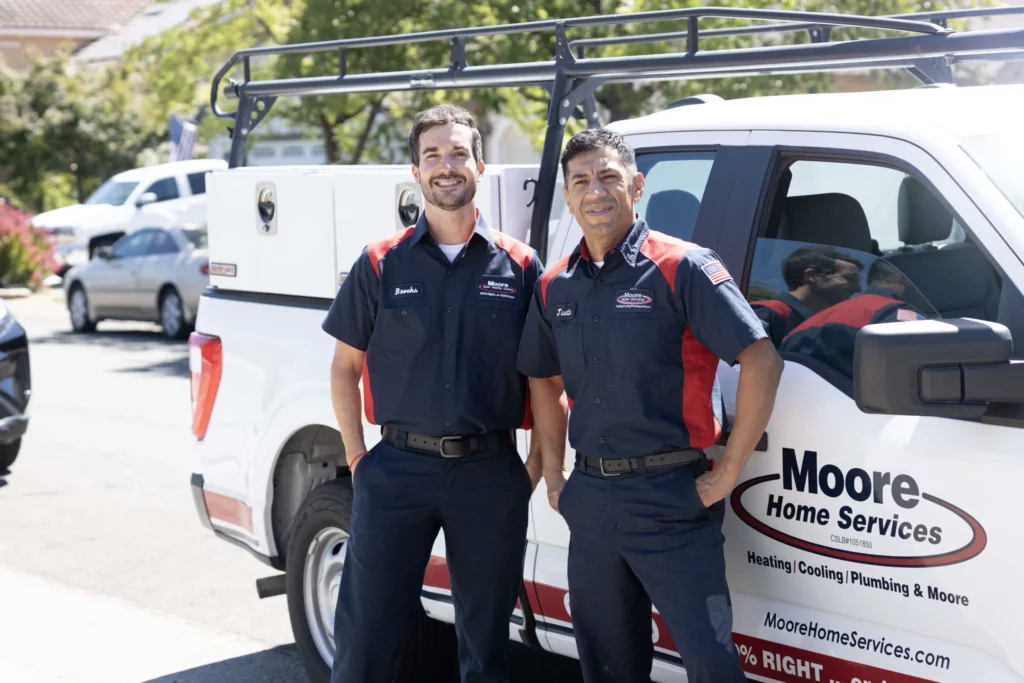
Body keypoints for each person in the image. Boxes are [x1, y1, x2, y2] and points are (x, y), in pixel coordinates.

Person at [517, 129, 784, 683]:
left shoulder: (682, 266)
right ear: (568, 196)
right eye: (582, 181)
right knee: (609, 667)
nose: (596, 192)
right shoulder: (554, 286)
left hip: (672, 500)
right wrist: (556, 476)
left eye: (609, 177)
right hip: (591, 500)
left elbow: (761, 360)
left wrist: (728, 471)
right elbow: (543, 378)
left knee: (712, 666)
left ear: (637, 186)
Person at [321, 104, 543, 683]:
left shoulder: (520, 266)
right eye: (432, 155)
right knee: (368, 635)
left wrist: (535, 470)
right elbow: (344, 368)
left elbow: (547, 378)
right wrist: (357, 460)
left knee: (486, 643)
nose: (447, 166)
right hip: (395, 471)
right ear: (415, 172)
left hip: (490, 474)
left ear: (480, 165)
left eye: (458, 153)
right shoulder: (379, 262)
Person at [780, 258, 926, 378]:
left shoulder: (797, 331)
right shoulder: (893, 313)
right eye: (850, 279)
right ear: (900, 278)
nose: (857, 289)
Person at [751, 245, 863, 346]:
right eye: (849, 279)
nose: (857, 289)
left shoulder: (825, 322)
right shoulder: (768, 314)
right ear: (811, 276)